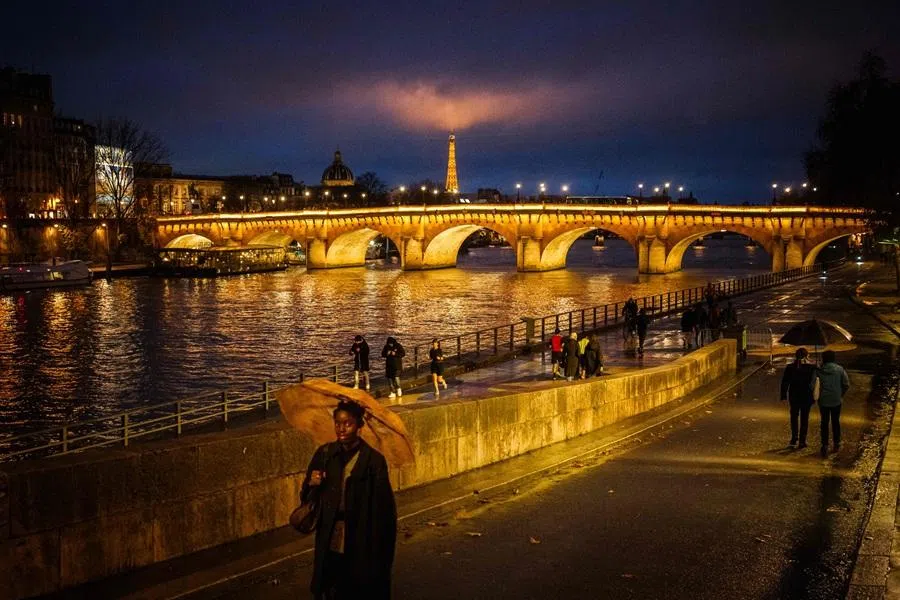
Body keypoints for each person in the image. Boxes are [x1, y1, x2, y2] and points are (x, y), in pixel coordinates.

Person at [301, 400, 397, 599]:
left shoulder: (373, 460)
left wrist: (382, 552)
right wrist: (312, 483)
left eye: (348, 424)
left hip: (361, 535)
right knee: (331, 583)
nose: (341, 429)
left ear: (359, 425)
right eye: (337, 423)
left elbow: (384, 510)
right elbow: (306, 496)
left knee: (357, 586)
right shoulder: (325, 454)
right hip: (330, 533)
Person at [779, 347, 817, 448]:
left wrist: (783, 395)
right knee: (805, 418)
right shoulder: (811, 368)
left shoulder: (790, 367)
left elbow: (785, 382)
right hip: (807, 396)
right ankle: (802, 440)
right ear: (807, 356)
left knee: (794, 417)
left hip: (794, 395)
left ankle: (794, 438)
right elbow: (816, 381)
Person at [817, 350, 850, 457]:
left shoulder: (819, 370)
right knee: (835, 421)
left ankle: (825, 445)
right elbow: (846, 384)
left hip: (823, 400)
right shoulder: (840, 369)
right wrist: (840, 394)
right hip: (836, 400)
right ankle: (836, 443)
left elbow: (814, 385)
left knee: (824, 422)